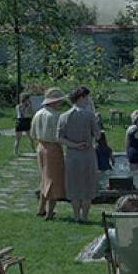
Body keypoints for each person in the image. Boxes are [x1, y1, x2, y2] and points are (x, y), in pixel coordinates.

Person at [59, 86, 101, 222]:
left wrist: (74, 145)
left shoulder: (63, 116)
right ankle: (85, 217)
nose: (88, 100)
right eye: (87, 97)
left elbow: (60, 137)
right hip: (87, 154)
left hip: (72, 155)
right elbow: (98, 135)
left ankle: (76, 216)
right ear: (81, 98)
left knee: (74, 186)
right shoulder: (90, 116)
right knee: (87, 186)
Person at [31, 88, 67, 220]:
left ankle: (41, 208)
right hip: (52, 149)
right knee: (54, 180)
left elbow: (33, 134)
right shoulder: (55, 116)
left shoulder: (38, 114)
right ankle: (50, 212)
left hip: (40, 147)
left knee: (44, 179)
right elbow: (58, 136)